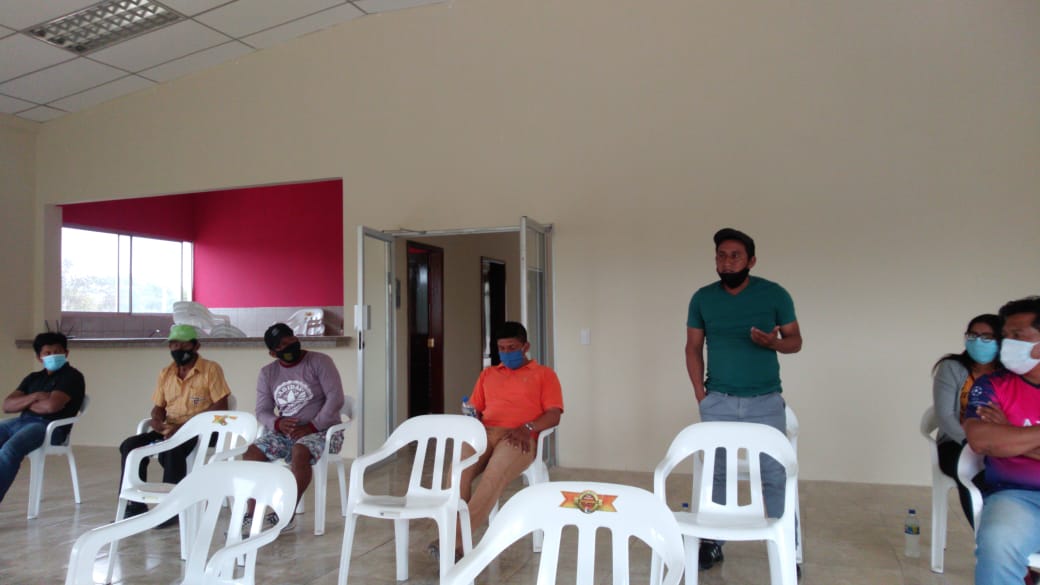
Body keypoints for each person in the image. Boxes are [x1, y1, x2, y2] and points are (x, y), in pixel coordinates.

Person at [684, 227, 802, 570]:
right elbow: (693, 347)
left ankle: (786, 547)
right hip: (718, 400)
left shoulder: (774, 294)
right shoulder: (702, 298)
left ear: (751, 261)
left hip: (765, 401)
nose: (727, 262)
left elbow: (795, 341)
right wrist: (701, 394)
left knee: (774, 476)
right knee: (717, 473)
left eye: (735, 256)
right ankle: (712, 542)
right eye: (721, 255)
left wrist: (772, 343)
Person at [432, 321, 564, 562]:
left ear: (525, 347)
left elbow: (554, 414)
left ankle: (454, 541)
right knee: (457, 472)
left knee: (494, 475)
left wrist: (528, 427)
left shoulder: (544, 375)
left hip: (519, 437)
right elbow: (476, 409)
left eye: (512, 348)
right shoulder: (488, 375)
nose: (506, 353)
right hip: (484, 433)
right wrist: (470, 415)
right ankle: (455, 539)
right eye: (502, 348)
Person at [118, 324, 230, 518]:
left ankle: (171, 509)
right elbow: (159, 406)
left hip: (201, 430)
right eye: (174, 345)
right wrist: (156, 419)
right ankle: (134, 505)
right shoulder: (166, 373)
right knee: (130, 446)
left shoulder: (211, 369)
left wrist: (184, 427)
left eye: (184, 345)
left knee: (173, 449)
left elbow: (221, 406)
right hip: (170, 428)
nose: (179, 349)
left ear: (196, 346)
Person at [242, 322, 346, 532]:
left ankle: (286, 513)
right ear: (273, 353)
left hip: (324, 432)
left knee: (300, 451)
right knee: (251, 453)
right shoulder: (268, 373)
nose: (288, 344)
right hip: (285, 433)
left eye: (289, 338)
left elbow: (336, 398)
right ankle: (251, 514)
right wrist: (277, 423)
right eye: (281, 344)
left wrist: (313, 426)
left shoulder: (320, 361)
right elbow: (262, 410)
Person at [964, 297, 1040, 585]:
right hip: (1016, 496)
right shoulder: (992, 385)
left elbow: (998, 440)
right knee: (998, 544)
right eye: (1005, 336)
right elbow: (981, 440)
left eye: (1018, 336)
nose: (1008, 344)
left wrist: (1009, 432)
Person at [932, 313, 1003, 527]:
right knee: (973, 478)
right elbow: (945, 416)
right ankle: (983, 536)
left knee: (1012, 480)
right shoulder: (951, 367)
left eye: (987, 337)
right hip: (957, 444)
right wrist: (971, 443)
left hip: (998, 445)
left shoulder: (1008, 374)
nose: (978, 341)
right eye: (973, 335)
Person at [1, 332, 85, 506]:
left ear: (66, 353)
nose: (53, 355)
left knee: (9, 450)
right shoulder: (33, 378)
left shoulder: (72, 376)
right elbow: (7, 405)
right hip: (21, 422)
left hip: (50, 428)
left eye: (57, 351)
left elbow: (51, 406)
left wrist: (24, 403)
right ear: (39, 357)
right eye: (47, 353)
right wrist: (36, 396)